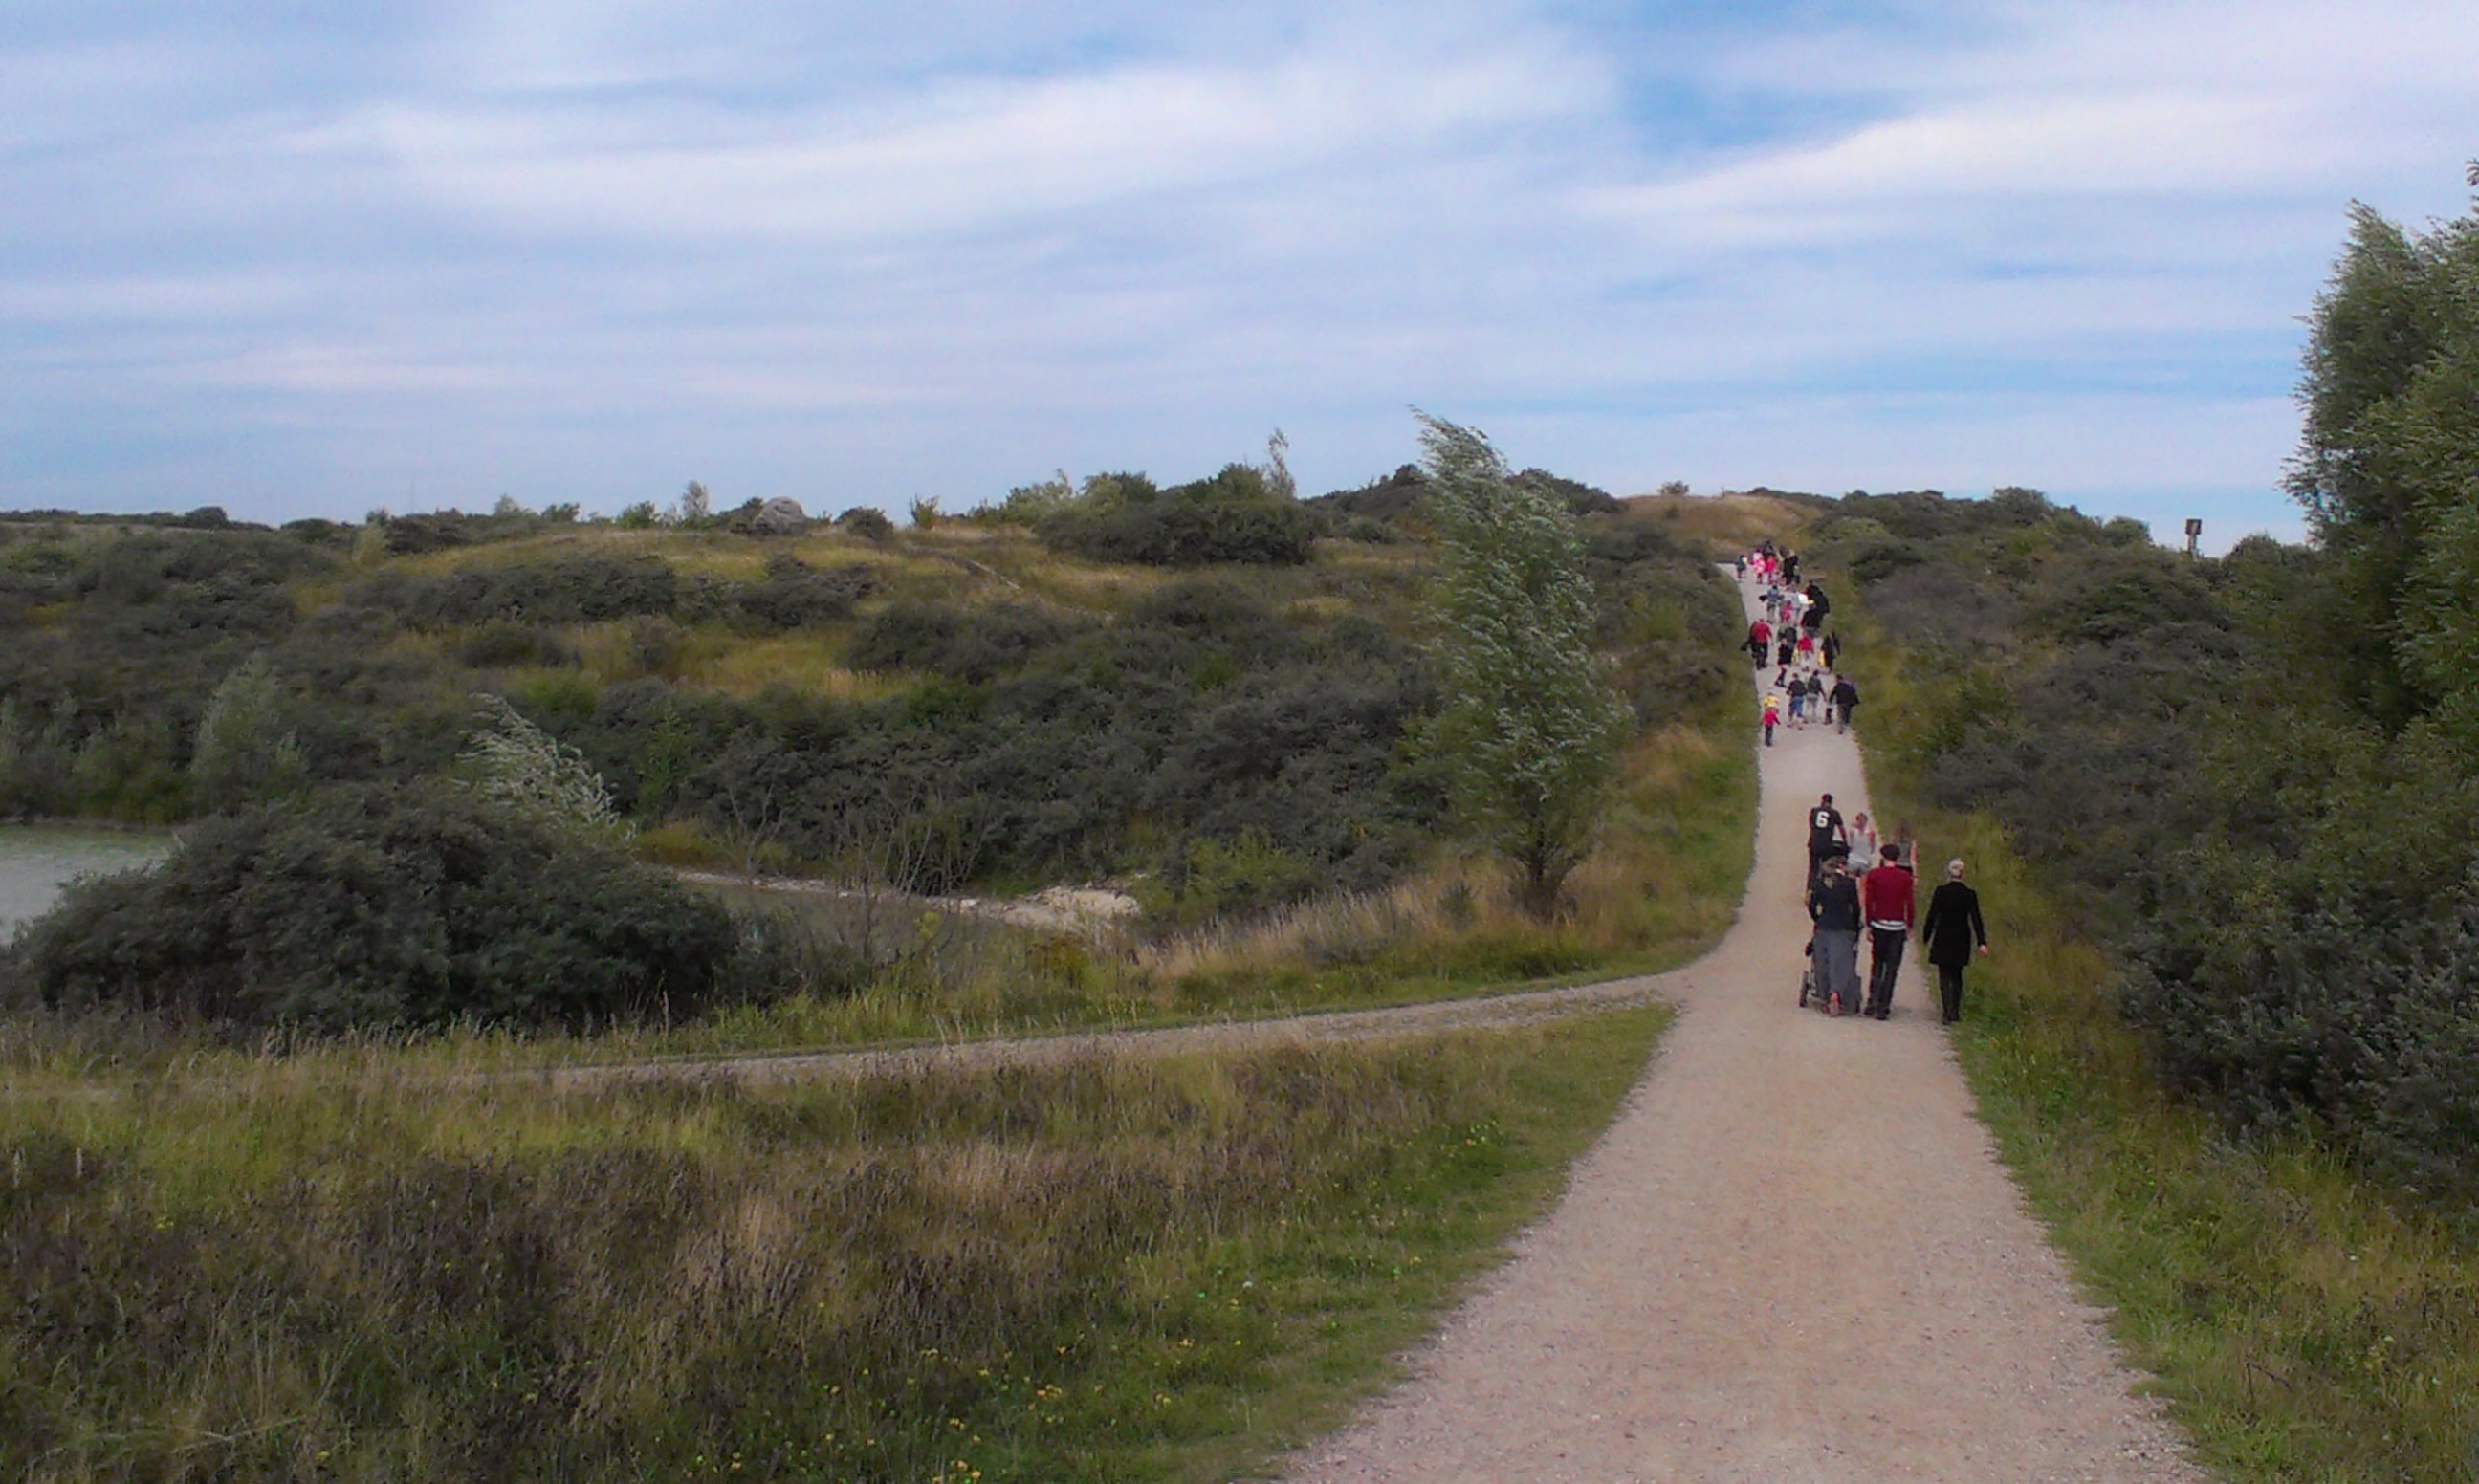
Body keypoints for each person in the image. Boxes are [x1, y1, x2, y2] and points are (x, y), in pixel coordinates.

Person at [1921, 858, 1990, 1024]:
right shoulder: (1969, 894)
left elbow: (1932, 914)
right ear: (1963, 873)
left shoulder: (1941, 891)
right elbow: (1976, 919)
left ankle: (1946, 1012)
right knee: (1957, 974)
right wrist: (1982, 942)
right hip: (1961, 937)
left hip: (1943, 935)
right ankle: (1955, 1011)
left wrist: (1926, 935)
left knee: (1944, 974)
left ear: (1948, 873)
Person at [1859, 842, 1917, 1019]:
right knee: (1892, 967)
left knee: (1877, 964)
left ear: (1883, 857)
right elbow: (1910, 904)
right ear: (1898, 857)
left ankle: (1872, 1001)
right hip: (1897, 926)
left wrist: (1869, 923)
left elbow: (1870, 901)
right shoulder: (1905, 878)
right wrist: (1909, 925)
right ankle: (1884, 1006)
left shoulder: (1875, 875)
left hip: (1879, 924)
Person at [1806, 853, 1862, 1015]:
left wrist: (1817, 919)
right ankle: (1837, 992)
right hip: (1844, 927)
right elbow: (1855, 908)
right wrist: (1855, 925)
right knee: (1842, 961)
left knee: (1823, 960)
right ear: (1842, 867)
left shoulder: (1818, 884)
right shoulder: (1849, 884)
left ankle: (1825, 992)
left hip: (1824, 925)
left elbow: (1812, 905)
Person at [1805, 793, 1846, 883]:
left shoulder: (1814, 811)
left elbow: (1811, 825)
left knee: (1813, 868)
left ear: (1822, 801)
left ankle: (1810, 888)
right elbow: (1841, 829)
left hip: (1814, 842)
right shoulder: (1835, 813)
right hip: (1826, 843)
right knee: (1826, 866)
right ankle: (1822, 887)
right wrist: (1845, 840)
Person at [1846, 811, 1879, 875]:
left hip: (1853, 860)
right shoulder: (1870, 833)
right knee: (1863, 880)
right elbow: (1872, 849)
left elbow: (1850, 845)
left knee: (1851, 877)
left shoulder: (1852, 832)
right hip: (1865, 860)